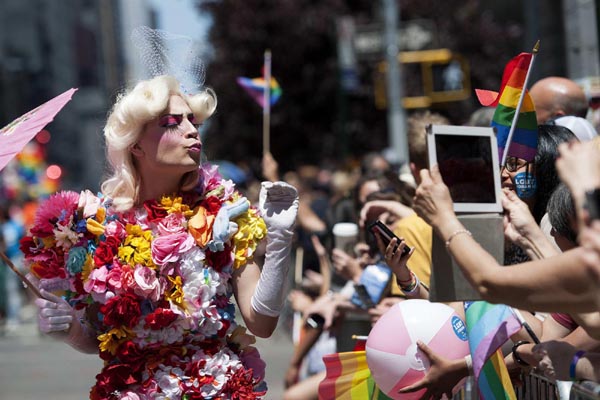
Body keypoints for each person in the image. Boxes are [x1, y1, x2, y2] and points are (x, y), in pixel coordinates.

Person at [22, 75, 299, 399]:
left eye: (192, 121)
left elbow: (261, 324)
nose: (192, 130)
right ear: (135, 143)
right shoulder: (98, 226)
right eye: (171, 123)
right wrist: (69, 329)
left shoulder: (225, 213)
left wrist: (280, 238)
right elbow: (100, 337)